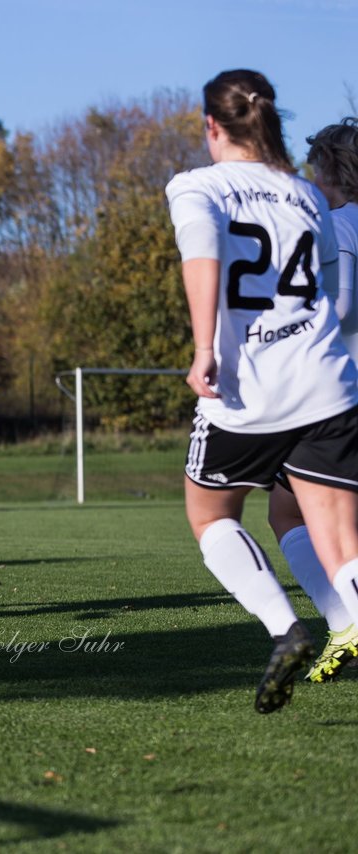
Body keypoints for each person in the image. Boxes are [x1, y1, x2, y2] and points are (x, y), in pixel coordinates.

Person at [167, 69, 358, 713]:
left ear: (213, 126)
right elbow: (333, 296)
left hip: (246, 388)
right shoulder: (307, 194)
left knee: (211, 515)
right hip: (327, 383)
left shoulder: (197, 186)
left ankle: (285, 627)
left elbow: (203, 258)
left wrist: (202, 350)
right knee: (338, 538)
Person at [266, 118, 358, 682]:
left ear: (333, 169)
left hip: (340, 395)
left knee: (288, 509)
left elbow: (341, 306)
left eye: (316, 168)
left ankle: (343, 619)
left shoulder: (339, 224)